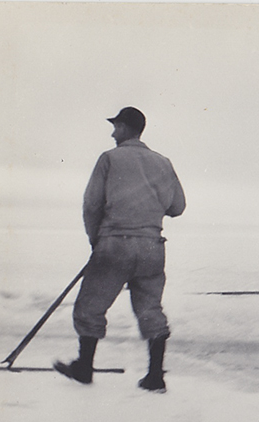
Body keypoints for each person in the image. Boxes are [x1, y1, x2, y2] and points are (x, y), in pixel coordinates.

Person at [54, 107, 186, 393]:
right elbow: (178, 207)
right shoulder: (163, 162)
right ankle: (155, 376)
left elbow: (91, 205)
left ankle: (84, 368)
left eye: (116, 127)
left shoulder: (109, 159)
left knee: (90, 307)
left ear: (126, 128)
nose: (113, 133)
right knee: (150, 309)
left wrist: (96, 241)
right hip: (153, 247)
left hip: (114, 244)